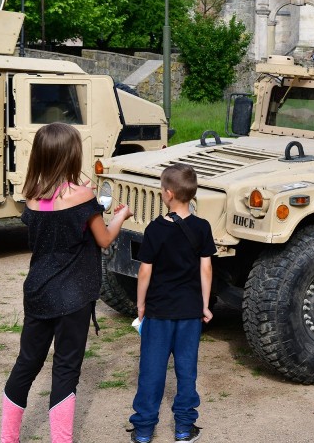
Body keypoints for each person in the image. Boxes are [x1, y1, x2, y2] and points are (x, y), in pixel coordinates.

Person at [0, 122, 133, 443]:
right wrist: (120, 215)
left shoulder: (31, 197)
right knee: (65, 369)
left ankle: (8, 438)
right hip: (73, 296)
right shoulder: (84, 196)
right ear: (71, 155)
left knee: (27, 364)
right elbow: (103, 239)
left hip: (38, 292)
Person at [128, 163, 215, 443]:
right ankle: (183, 428)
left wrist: (141, 305)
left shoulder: (155, 229)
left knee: (151, 371)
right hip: (190, 311)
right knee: (186, 371)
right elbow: (206, 269)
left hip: (159, 310)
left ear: (167, 194)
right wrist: (204, 304)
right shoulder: (202, 227)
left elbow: (145, 271)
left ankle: (143, 430)